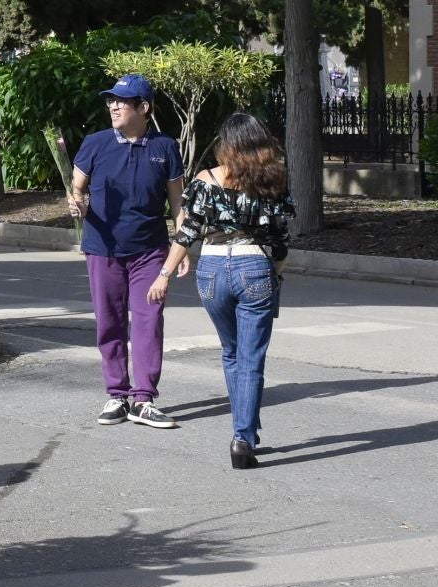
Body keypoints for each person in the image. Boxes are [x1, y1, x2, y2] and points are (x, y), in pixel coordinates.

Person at [148, 113, 295, 470]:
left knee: (231, 352)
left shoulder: (205, 179)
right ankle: (243, 437)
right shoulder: (271, 179)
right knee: (251, 358)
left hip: (212, 269)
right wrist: (275, 274)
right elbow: (280, 238)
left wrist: (164, 274)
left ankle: (246, 427)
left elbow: (187, 232)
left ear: (225, 143)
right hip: (254, 266)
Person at [68, 72, 186, 429]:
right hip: (103, 248)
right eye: (111, 101)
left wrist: (182, 250)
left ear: (143, 107)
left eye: (121, 101)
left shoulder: (165, 147)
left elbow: (177, 203)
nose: (114, 106)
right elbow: (77, 190)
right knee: (110, 321)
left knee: (149, 321)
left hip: (150, 249)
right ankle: (116, 395)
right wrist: (77, 205)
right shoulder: (95, 143)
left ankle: (144, 399)